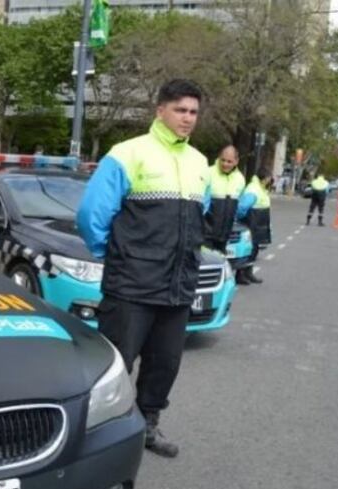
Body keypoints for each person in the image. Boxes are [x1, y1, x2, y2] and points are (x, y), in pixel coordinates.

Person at [77, 79, 211, 459]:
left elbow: (196, 220)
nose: (188, 118)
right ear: (160, 110)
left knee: (165, 363)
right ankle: (101, 434)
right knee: (116, 361)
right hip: (132, 284)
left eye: (193, 112)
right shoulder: (127, 153)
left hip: (177, 284)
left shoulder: (199, 162)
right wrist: (117, 254)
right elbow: (92, 216)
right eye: (180, 110)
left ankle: (147, 424)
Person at [206, 144, 245, 254]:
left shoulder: (240, 179)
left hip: (225, 237)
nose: (225, 164)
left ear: (236, 161)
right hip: (205, 236)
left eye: (229, 161)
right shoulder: (208, 173)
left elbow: (238, 208)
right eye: (222, 160)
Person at [236, 168, 273, 285]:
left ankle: (248, 273)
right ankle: (241, 275)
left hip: (258, 223)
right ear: (264, 178)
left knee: (254, 249)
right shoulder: (253, 189)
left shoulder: (261, 188)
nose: (270, 181)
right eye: (268, 178)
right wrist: (242, 221)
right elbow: (242, 208)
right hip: (252, 223)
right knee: (249, 249)